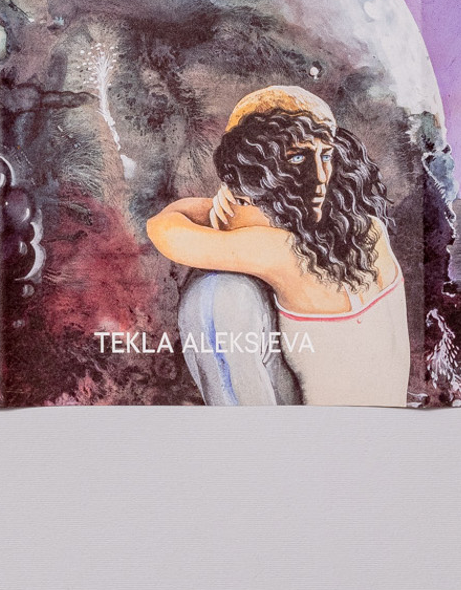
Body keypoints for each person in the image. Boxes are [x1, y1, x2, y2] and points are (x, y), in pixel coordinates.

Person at [144, 87, 409, 407]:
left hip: (325, 435)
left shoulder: (282, 251)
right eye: (298, 158)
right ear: (260, 168)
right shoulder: (371, 230)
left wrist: (228, 197)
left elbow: (163, 230)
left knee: (213, 295)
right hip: (387, 426)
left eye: (325, 155)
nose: (320, 177)